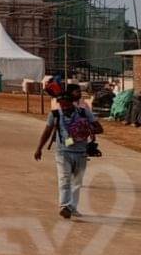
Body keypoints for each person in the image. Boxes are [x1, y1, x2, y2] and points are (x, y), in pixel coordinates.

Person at [34, 82, 103, 219]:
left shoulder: (83, 113)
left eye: (65, 103)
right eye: (60, 103)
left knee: (77, 183)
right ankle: (64, 206)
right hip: (62, 152)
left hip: (81, 152)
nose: (63, 106)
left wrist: (86, 129)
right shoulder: (55, 114)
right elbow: (47, 132)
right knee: (64, 179)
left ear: (71, 102)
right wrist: (39, 148)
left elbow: (99, 128)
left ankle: (72, 207)